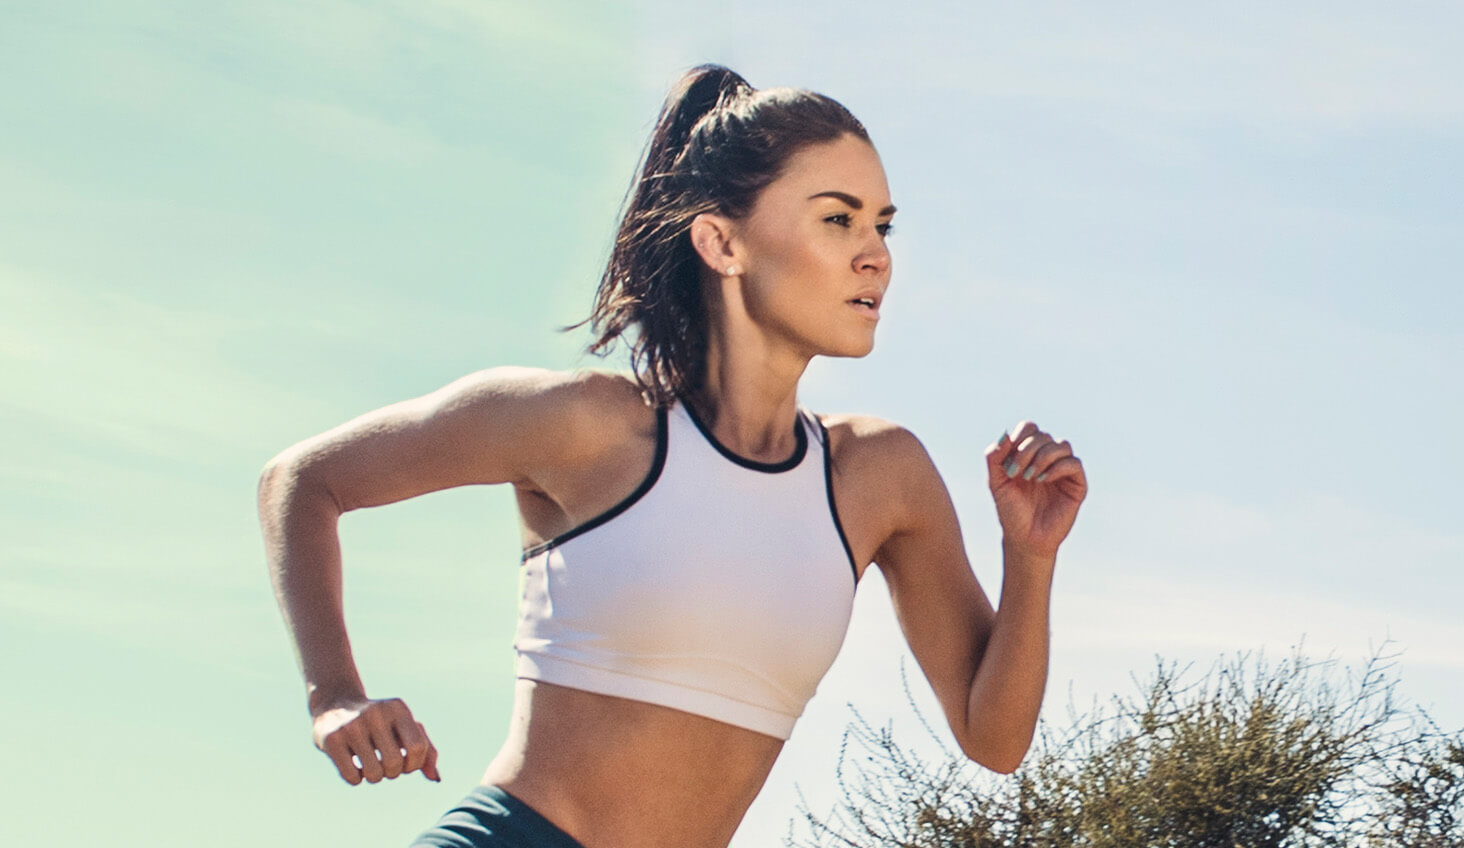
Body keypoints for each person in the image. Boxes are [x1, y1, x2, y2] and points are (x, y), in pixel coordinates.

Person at [258, 64, 1087, 848]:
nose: (876, 254)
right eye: (837, 219)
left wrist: (1031, 556)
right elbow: (302, 481)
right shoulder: (586, 426)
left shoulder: (880, 476)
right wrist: (334, 693)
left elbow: (994, 738)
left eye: (882, 224)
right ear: (722, 244)